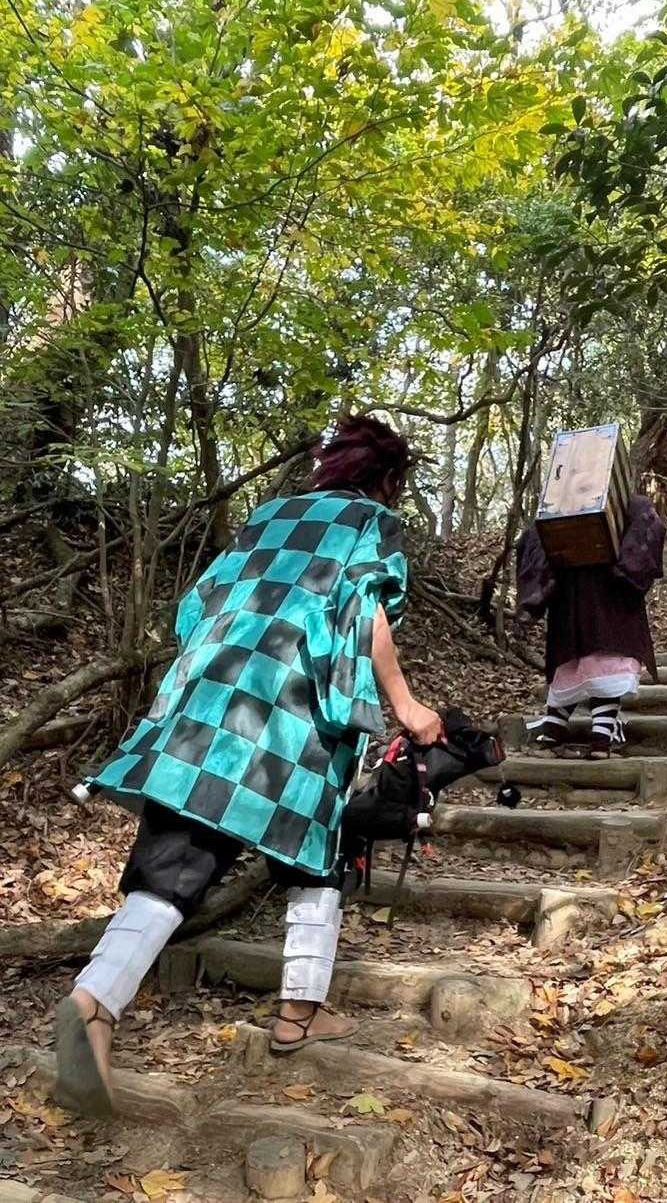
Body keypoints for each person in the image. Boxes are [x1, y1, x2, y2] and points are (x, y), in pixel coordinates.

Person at [55, 416, 442, 1118]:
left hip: (210, 693)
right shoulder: (370, 521)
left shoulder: (268, 514)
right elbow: (365, 614)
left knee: (181, 854)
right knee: (315, 846)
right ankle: (298, 1013)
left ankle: (96, 999)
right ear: (387, 478)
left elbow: (196, 605)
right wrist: (408, 706)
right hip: (297, 711)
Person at [516, 494, 666, 758]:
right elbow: (647, 537)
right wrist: (627, 572)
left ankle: (570, 734)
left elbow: (533, 542)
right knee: (593, 663)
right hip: (598, 597)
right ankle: (587, 737)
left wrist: (537, 594)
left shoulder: (564, 505)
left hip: (587, 597)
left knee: (588, 663)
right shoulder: (628, 504)